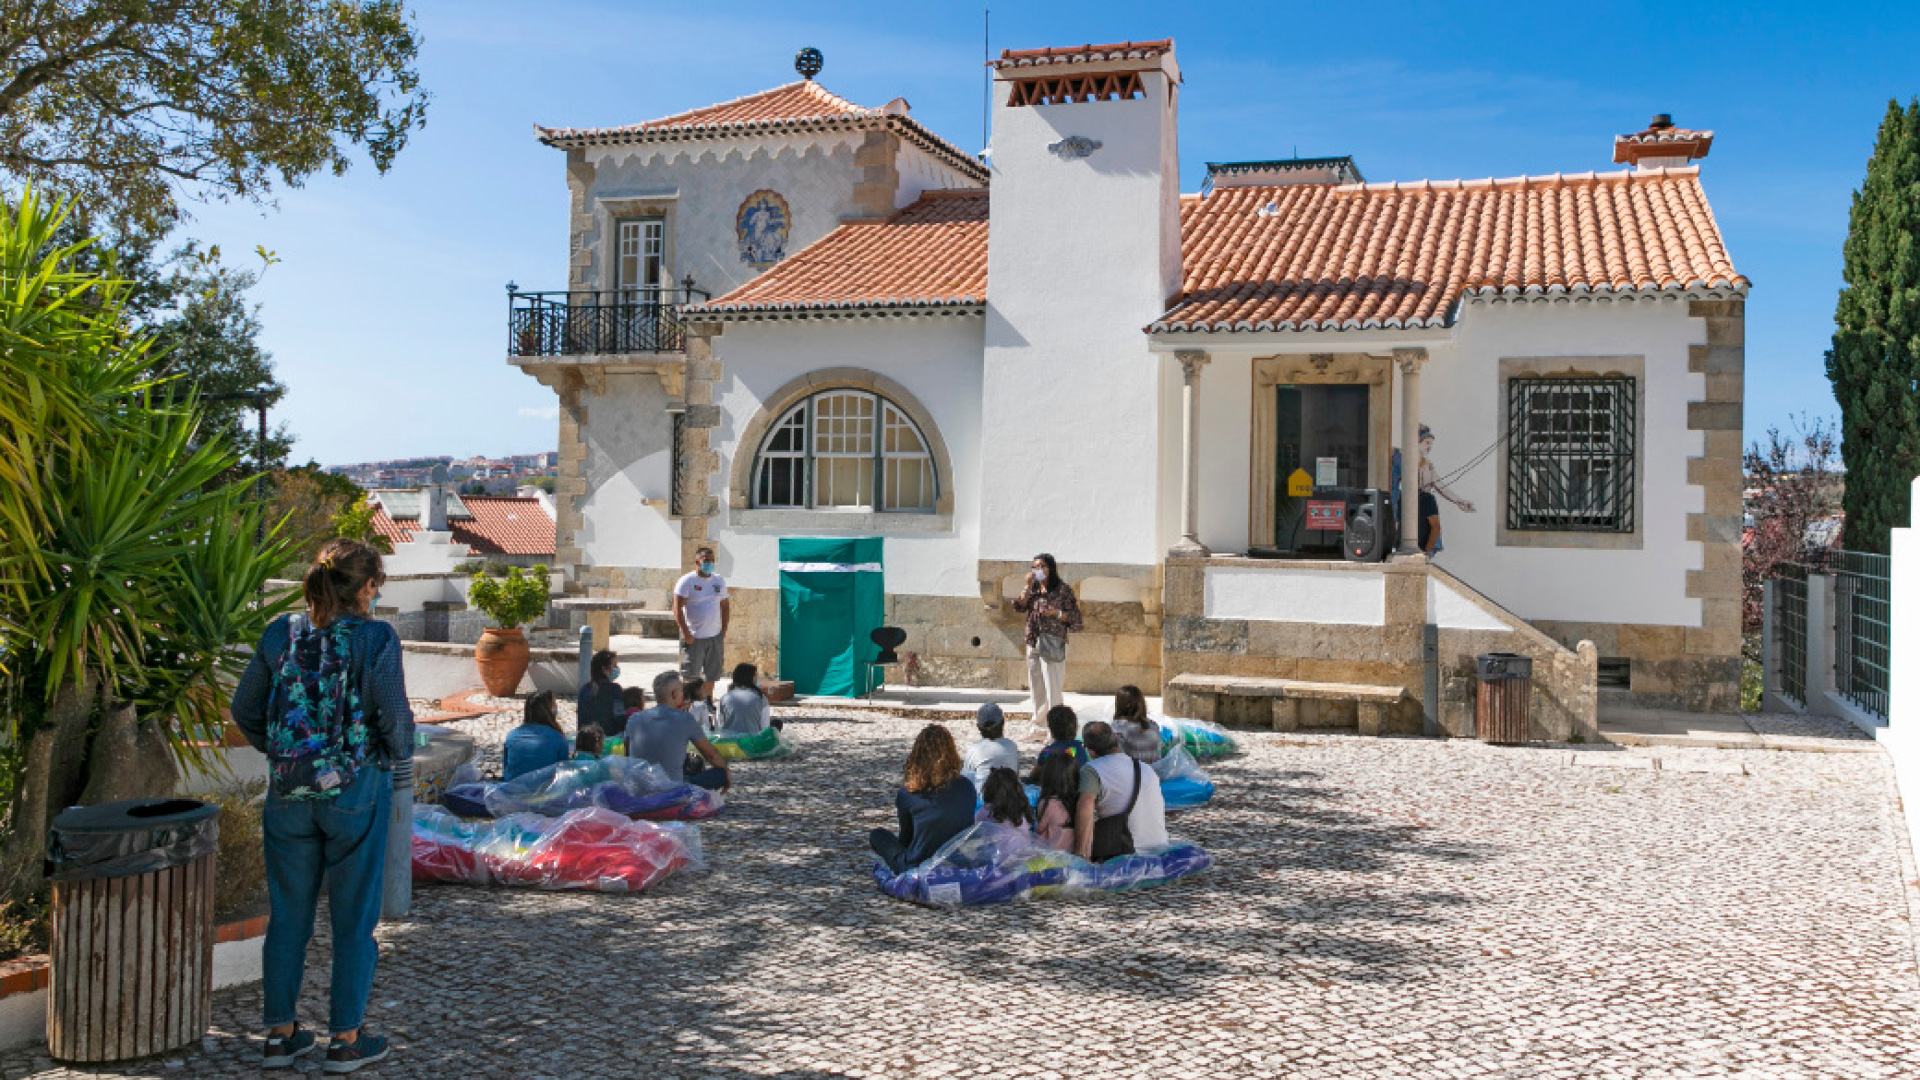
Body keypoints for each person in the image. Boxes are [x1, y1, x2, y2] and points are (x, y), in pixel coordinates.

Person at [231, 539, 411, 1073]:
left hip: (289, 791)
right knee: (354, 920)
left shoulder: (277, 633)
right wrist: (391, 756)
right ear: (368, 587)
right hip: (354, 788)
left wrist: (287, 753)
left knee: (288, 915)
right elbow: (393, 717)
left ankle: (281, 1035)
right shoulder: (374, 637)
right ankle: (346, 1039)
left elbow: (246, 708)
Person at [870, 724, 978, 873]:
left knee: (878, 835)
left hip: (920, 864)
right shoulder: (966, 786)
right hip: (957, 860)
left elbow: (906, 838)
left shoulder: (909, 792)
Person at [1073, 721, 1169, 863]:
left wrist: (1079, 854)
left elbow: (1086, 804)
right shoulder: (1146, 769)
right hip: (1159, 845)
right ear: (1117, 739)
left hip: (1126, 850)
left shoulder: (1092, 770)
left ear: (1090, 751)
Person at [624, 671, 732, 791]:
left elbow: (628, 756)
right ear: (674, 694)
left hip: (639, 788)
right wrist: (726, 773)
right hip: (672, 789)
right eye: (681, 691)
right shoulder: (685, 719)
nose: (683, 695)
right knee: (720, 774)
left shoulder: (634, 719)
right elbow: (712, 755)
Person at [1009, 553, 1082, 716]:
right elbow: (1019, 606)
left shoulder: (1062, 589)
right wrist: (1027, 586)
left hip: (1052, 640)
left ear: (1051, 568)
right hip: (1033, 639)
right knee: (1036, 688)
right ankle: (1039, 727)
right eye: (1035, 567)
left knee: (1052, 688)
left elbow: (1076, 619)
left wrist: (1056, 613)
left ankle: (1055, 729)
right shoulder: (1033, 589)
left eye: (1042, 566)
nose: (1038, 569)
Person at [673, 545, 730, 685]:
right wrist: (686, 633)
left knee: (712, 674)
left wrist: (723, 631)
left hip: (714, 637)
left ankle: (708, 701)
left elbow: (725, 606)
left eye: (712, 560)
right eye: (706, 560)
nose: (709, 563)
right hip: (694, 637)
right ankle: (688, 703)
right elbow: (677, 608)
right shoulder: (687, 581)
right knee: (690, 676)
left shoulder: (719, 581)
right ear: (697, 562)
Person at [1417, 424, 1474, 556]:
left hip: (1425, 503)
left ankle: (1427, 551)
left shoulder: (1428, 466)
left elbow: (1441, 486)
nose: (1429, 447)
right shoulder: (1404, 461)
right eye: (1426, 443)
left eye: (1431, 443)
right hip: (1411, 505)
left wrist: (1459, 501)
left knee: (1434, 528)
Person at [502, 691, 569, 780]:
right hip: (545, 791)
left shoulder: (512, 736)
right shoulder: (558, 739)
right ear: (549, 710)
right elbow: (563, 773)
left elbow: (507, 769)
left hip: (512, 790)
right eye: (554, 705)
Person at [961, 703, 1019, 787]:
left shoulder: (974, 749)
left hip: (982, 798)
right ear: (1003, 722)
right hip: (1009, 797)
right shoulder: (1012, 746)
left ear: (978, 727)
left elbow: (967, 781)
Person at [1026, 705, 1088, 783]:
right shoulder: (1084, 748)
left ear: (1050, 728)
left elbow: (1034, 776)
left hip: (1055, 790)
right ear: (1076, 727)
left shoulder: (1047, 751)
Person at [1032, 752, 1078, 852]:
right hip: (1073, 854)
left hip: (1052, 857)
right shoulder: (1079, 801)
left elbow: (1039, 830)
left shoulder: (1047, 803)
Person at [576, 650, 624, 744]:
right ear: (604, 669)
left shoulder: (584, 689)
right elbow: (619, 717)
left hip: (587, 739)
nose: (616, 668)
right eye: (614, 665)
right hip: (610, 738)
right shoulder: (615, 689)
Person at [716, 662, 774, 735]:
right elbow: (765, 727)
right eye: (755, 676)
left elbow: (718, 726)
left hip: (729, 742)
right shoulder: (761, 698)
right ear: (751, 678)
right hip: (752, 742)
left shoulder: (724, 698)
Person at [1112, 685, 1162, 765]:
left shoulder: (1118, 726)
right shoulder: (1153, 725)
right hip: (1153, 774)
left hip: (1133, 775)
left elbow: (1116, 758)